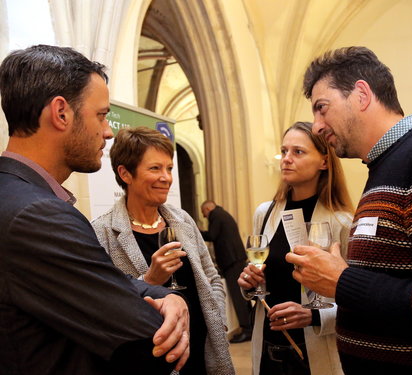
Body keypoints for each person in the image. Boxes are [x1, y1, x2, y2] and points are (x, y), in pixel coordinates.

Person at [287, 46, 412, 374]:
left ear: (361, 95)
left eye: (322, 108)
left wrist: (343, 281)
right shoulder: (384, 166)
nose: (317, 126)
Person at [0, 45, 190, 374]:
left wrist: (161, 293)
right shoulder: (37, 215)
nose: (108, 131)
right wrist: (162, 308)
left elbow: (98, 280)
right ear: (61, 113)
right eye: (101, 115)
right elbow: (149, 341)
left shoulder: (16, 195)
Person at [91, 127, 234, 375]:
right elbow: (105, 308)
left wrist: (217, 320)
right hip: (149, 360)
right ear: (125, 173)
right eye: (155, 168)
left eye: (169, 168)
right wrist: (150, 281)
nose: (166, 177)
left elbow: (212, 278)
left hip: (202, 354)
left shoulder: (183, 221)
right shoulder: (102, 232)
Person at [238, 121, 354, 375]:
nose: (286, 159)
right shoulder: (265, 213)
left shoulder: (342, 223)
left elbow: (355, 298)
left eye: (298, 152)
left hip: (314, 354)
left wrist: (312, 316)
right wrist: (249, 284)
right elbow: (259, 280)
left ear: (324, 161)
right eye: (284, 151)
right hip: (268, 347)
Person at [200, 200, 253, 343]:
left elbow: (212, 235)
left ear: (208, 208)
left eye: (203, 212)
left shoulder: (216, 214)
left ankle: (247, 329)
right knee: (243, 295)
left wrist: (196, 231)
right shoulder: (223, 214)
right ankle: (250, 327)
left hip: (231, 260)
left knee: (238, 296)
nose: (204, 216)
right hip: (237, 258)